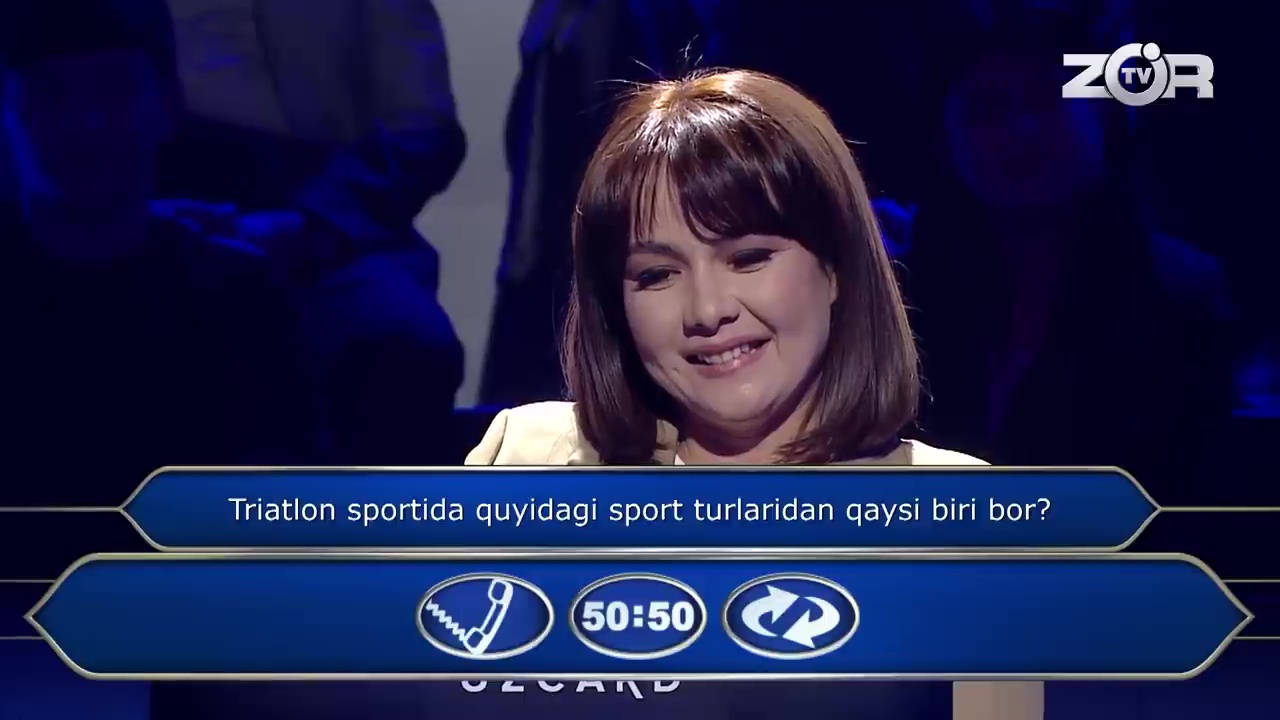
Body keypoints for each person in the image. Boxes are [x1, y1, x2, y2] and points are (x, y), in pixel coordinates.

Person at [467, 69, 1043, 720]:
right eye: (657, 275)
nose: (707, 310)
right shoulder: (527, 464)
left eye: (748, 258)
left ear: (835, 267)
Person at [887, 11, 1235, 504]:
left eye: (1047, 99)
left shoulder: (1180, 292)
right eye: (986, 110)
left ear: (1105, 120)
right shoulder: (898, 292)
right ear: (944, 142)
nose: (1021, 131)